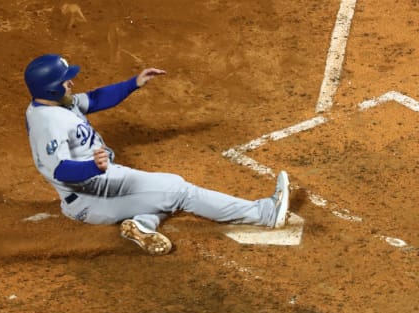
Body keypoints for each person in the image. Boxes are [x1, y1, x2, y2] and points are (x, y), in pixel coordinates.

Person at [24, 54, 290, 255]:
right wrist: (93, 167)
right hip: (91, 195)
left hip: (99, 186)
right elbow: (58, 170)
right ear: (50, 89)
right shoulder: (48, 123)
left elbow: (94, 99)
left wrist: (134, 83)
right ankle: (265, 214)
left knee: (163, 194)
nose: (71, 82)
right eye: (64, 80)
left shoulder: (60, 103)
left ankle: (141, 225)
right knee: (177, 190)